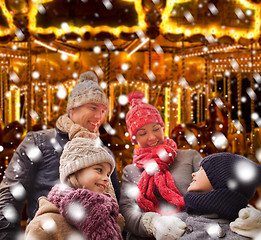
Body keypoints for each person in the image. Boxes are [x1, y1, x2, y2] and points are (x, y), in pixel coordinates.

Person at [0, 71, 121, 239]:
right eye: (93, 108)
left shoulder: (103, 152)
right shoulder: (38, 142)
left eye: (103, 110)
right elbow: (10, 196)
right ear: (73, 107)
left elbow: (116, 204)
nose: (99, 117)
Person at [119, 91, 202, 240]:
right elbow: (126, 212)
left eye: (156, 129)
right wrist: (153, 224)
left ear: (163, 128)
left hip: (192, 234)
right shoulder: (130, 171)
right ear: (134, 138)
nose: (151, 138)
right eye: (143, 133)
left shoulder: (189, 157)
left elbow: (214, 188)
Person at [25, 136, 124, 239]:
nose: (106, 179)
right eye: (99, 170)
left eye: (108, 174)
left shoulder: (110, 218)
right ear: (74, 171)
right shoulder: (44, 225)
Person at [175, 152, 261, 239]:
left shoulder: (241, 233)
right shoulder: (172, 224)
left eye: (202, 170)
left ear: (222, 180)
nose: (193, 173)